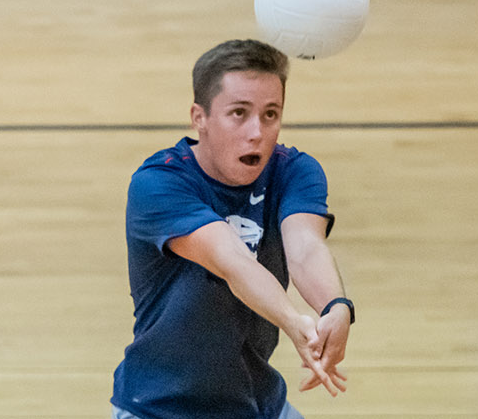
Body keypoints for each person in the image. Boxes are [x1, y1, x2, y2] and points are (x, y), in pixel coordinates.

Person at [112, 40, 355, 418]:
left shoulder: (295, 171)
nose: (257, 131)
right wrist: (293, 322)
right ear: (200, 117)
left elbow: (306, 247)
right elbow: (232, 262)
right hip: (161, 408)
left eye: (270, 114)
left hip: (259, 405)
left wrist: (336, 306)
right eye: (239, 113)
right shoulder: (159, 183)